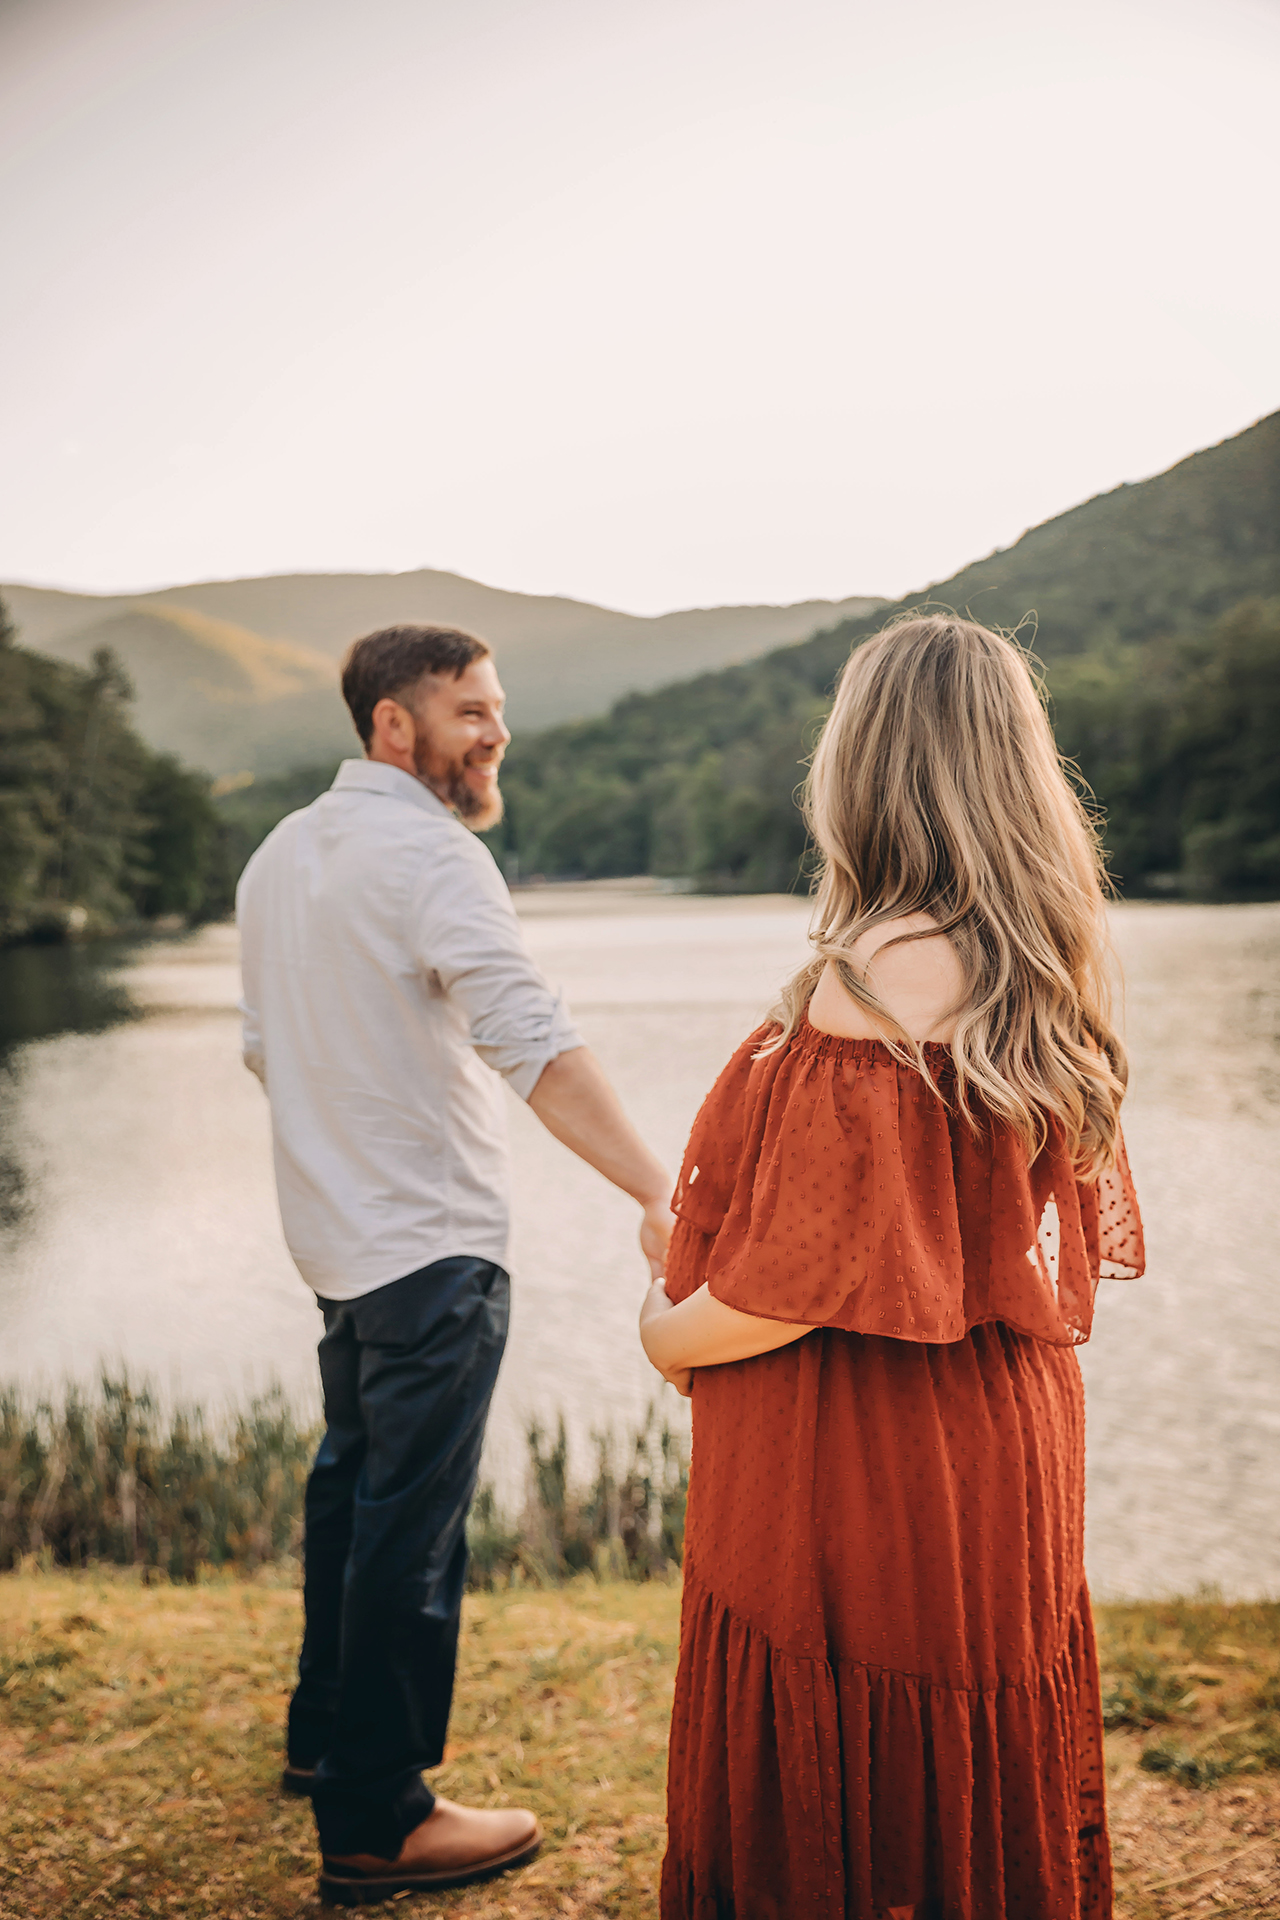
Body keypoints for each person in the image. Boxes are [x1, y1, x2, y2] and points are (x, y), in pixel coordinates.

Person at [640, 614, 1145, 1920]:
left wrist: (663, 1321)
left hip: (862, 1457)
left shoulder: (865, 978)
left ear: (861, 768)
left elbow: (778, 1294)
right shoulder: (1047, 963)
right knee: (972, 1786)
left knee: (846, 1805)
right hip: (1004, 1444)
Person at [237, 623, 673, 1905]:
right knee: (408, 1532)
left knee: (351, 1489)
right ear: (393, 725)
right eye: (471, 712)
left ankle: (324, 1743)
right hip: (429, 1245)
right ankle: (380, 1821)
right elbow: (530, 1040)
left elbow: (264, 1048)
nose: (494, 735)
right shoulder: (433, 854)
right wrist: (662, 1190)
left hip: (335, 1240)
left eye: (495, 711)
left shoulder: (278, 857)